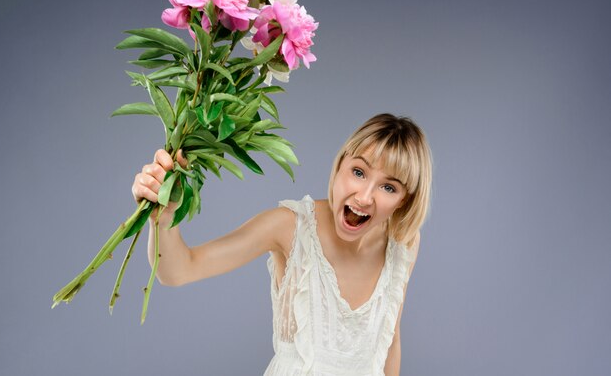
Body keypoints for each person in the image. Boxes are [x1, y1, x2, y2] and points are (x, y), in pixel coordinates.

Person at [132, 113, 433, 376]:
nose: (365, 196)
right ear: (340, 164)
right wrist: (163, 217)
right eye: (358, 172)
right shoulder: (290, 226)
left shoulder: (404, 243)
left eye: (388, 187)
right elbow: (178, 270)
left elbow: (390, 340)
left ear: (403, 199)